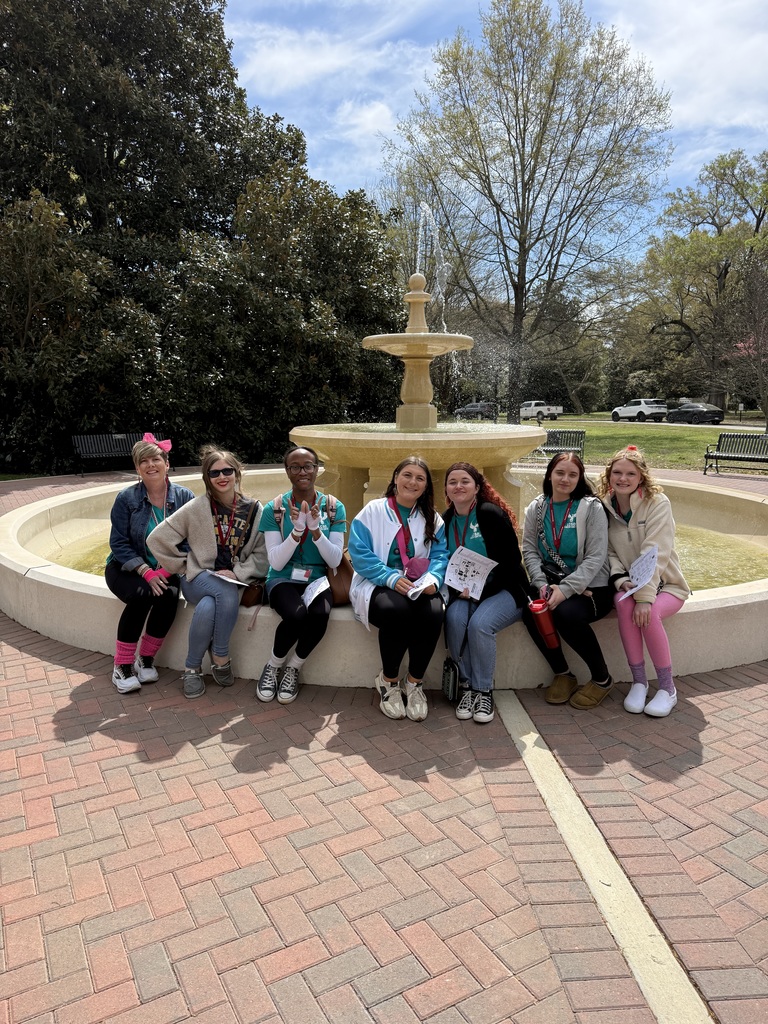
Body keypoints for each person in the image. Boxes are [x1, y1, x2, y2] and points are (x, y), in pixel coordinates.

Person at [147, 445, 267, 699]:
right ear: (207, 478)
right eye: (214, 473)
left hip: (233, 581)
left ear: (237, 473)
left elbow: (263, 553)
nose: (222, 477)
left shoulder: (255, 509)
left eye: (227, 471)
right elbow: (157, 539)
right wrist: (184, 565)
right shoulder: (197, 507)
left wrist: (239, 573)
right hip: (198, 579)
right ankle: (220, 656)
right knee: (223, 592)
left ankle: (191, 668)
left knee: (208, 606)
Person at [348, 456, 448, 722]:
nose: (412, 482)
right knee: (397, 611)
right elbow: (359, 552)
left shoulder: (432, 518)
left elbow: (441, 555)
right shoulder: (373, 511)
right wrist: (389, 578)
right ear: (395, 478)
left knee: (434, 612)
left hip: (418, 585)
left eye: (420, 478)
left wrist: (433, 580)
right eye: (407, 475)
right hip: (377, 583)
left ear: (426, 486)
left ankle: (414, 683)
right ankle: (389, 682)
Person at [598, 446, 690, 717]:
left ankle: (667, 688)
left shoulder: (658, 503)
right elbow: (609, 551)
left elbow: (655, 552)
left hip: (667, 585)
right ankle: (639, 682)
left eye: (630, 473)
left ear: (641, 477)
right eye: (617, 472)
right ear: (609, 475)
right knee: (622, 603)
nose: (623, 478)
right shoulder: (604, 506)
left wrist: (645, 598)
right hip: (631, 584)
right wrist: (620, 579)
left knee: (648, 614)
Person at [522, 452, 614, 710]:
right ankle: (563, 673)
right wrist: (541, 583)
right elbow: (529, 549)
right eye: (560, 473)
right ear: (549, 475)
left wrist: (567, 589)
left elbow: (596, 556)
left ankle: (602, 679)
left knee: (566, 614)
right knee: (531, 610)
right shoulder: (537, 508)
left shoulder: (591, 508)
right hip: (550, 582)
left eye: (573, 474)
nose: (565, 479)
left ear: (580, 478)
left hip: (592, 586)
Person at [443, 463, 534, 724]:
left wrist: (479, 592)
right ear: (446, 489)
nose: (458, 486)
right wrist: (457, 590)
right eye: (452, 482)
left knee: (480, 625)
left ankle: (483, 691)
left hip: (505, 589)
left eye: (465, 481)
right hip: (465, 592)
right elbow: (443, 562)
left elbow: (512, 561)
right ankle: (466, 687)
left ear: (477, 487)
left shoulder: (489, 514)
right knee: (454, 620)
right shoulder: (446, 520)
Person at [256, 446, 346, 704]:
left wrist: (316, 531)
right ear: (287, 471)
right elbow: (276, 560)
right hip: (283, 577)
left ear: (316, 469)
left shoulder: (333, 507)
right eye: (295, 467)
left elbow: (334, 560)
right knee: (296, 616)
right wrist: (296, 532)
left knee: (319, 615)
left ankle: (293, 668)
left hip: (317, 578)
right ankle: (273, 665)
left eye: (308, 466)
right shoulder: (274, 508)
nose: (302, 472)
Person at [105, 434, 195, 693]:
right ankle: (122, 665)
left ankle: (145, 659)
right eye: (143, 461)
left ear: (167, 463)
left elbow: (191, 541)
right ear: (137, 468)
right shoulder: (126, 499)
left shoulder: (184, 496)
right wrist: (145, 571)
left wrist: (164, 571)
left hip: (167, 568)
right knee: (142, 596)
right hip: (126, 567)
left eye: (155, 459)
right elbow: (118, 543)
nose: (150, 465)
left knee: (169, 596)